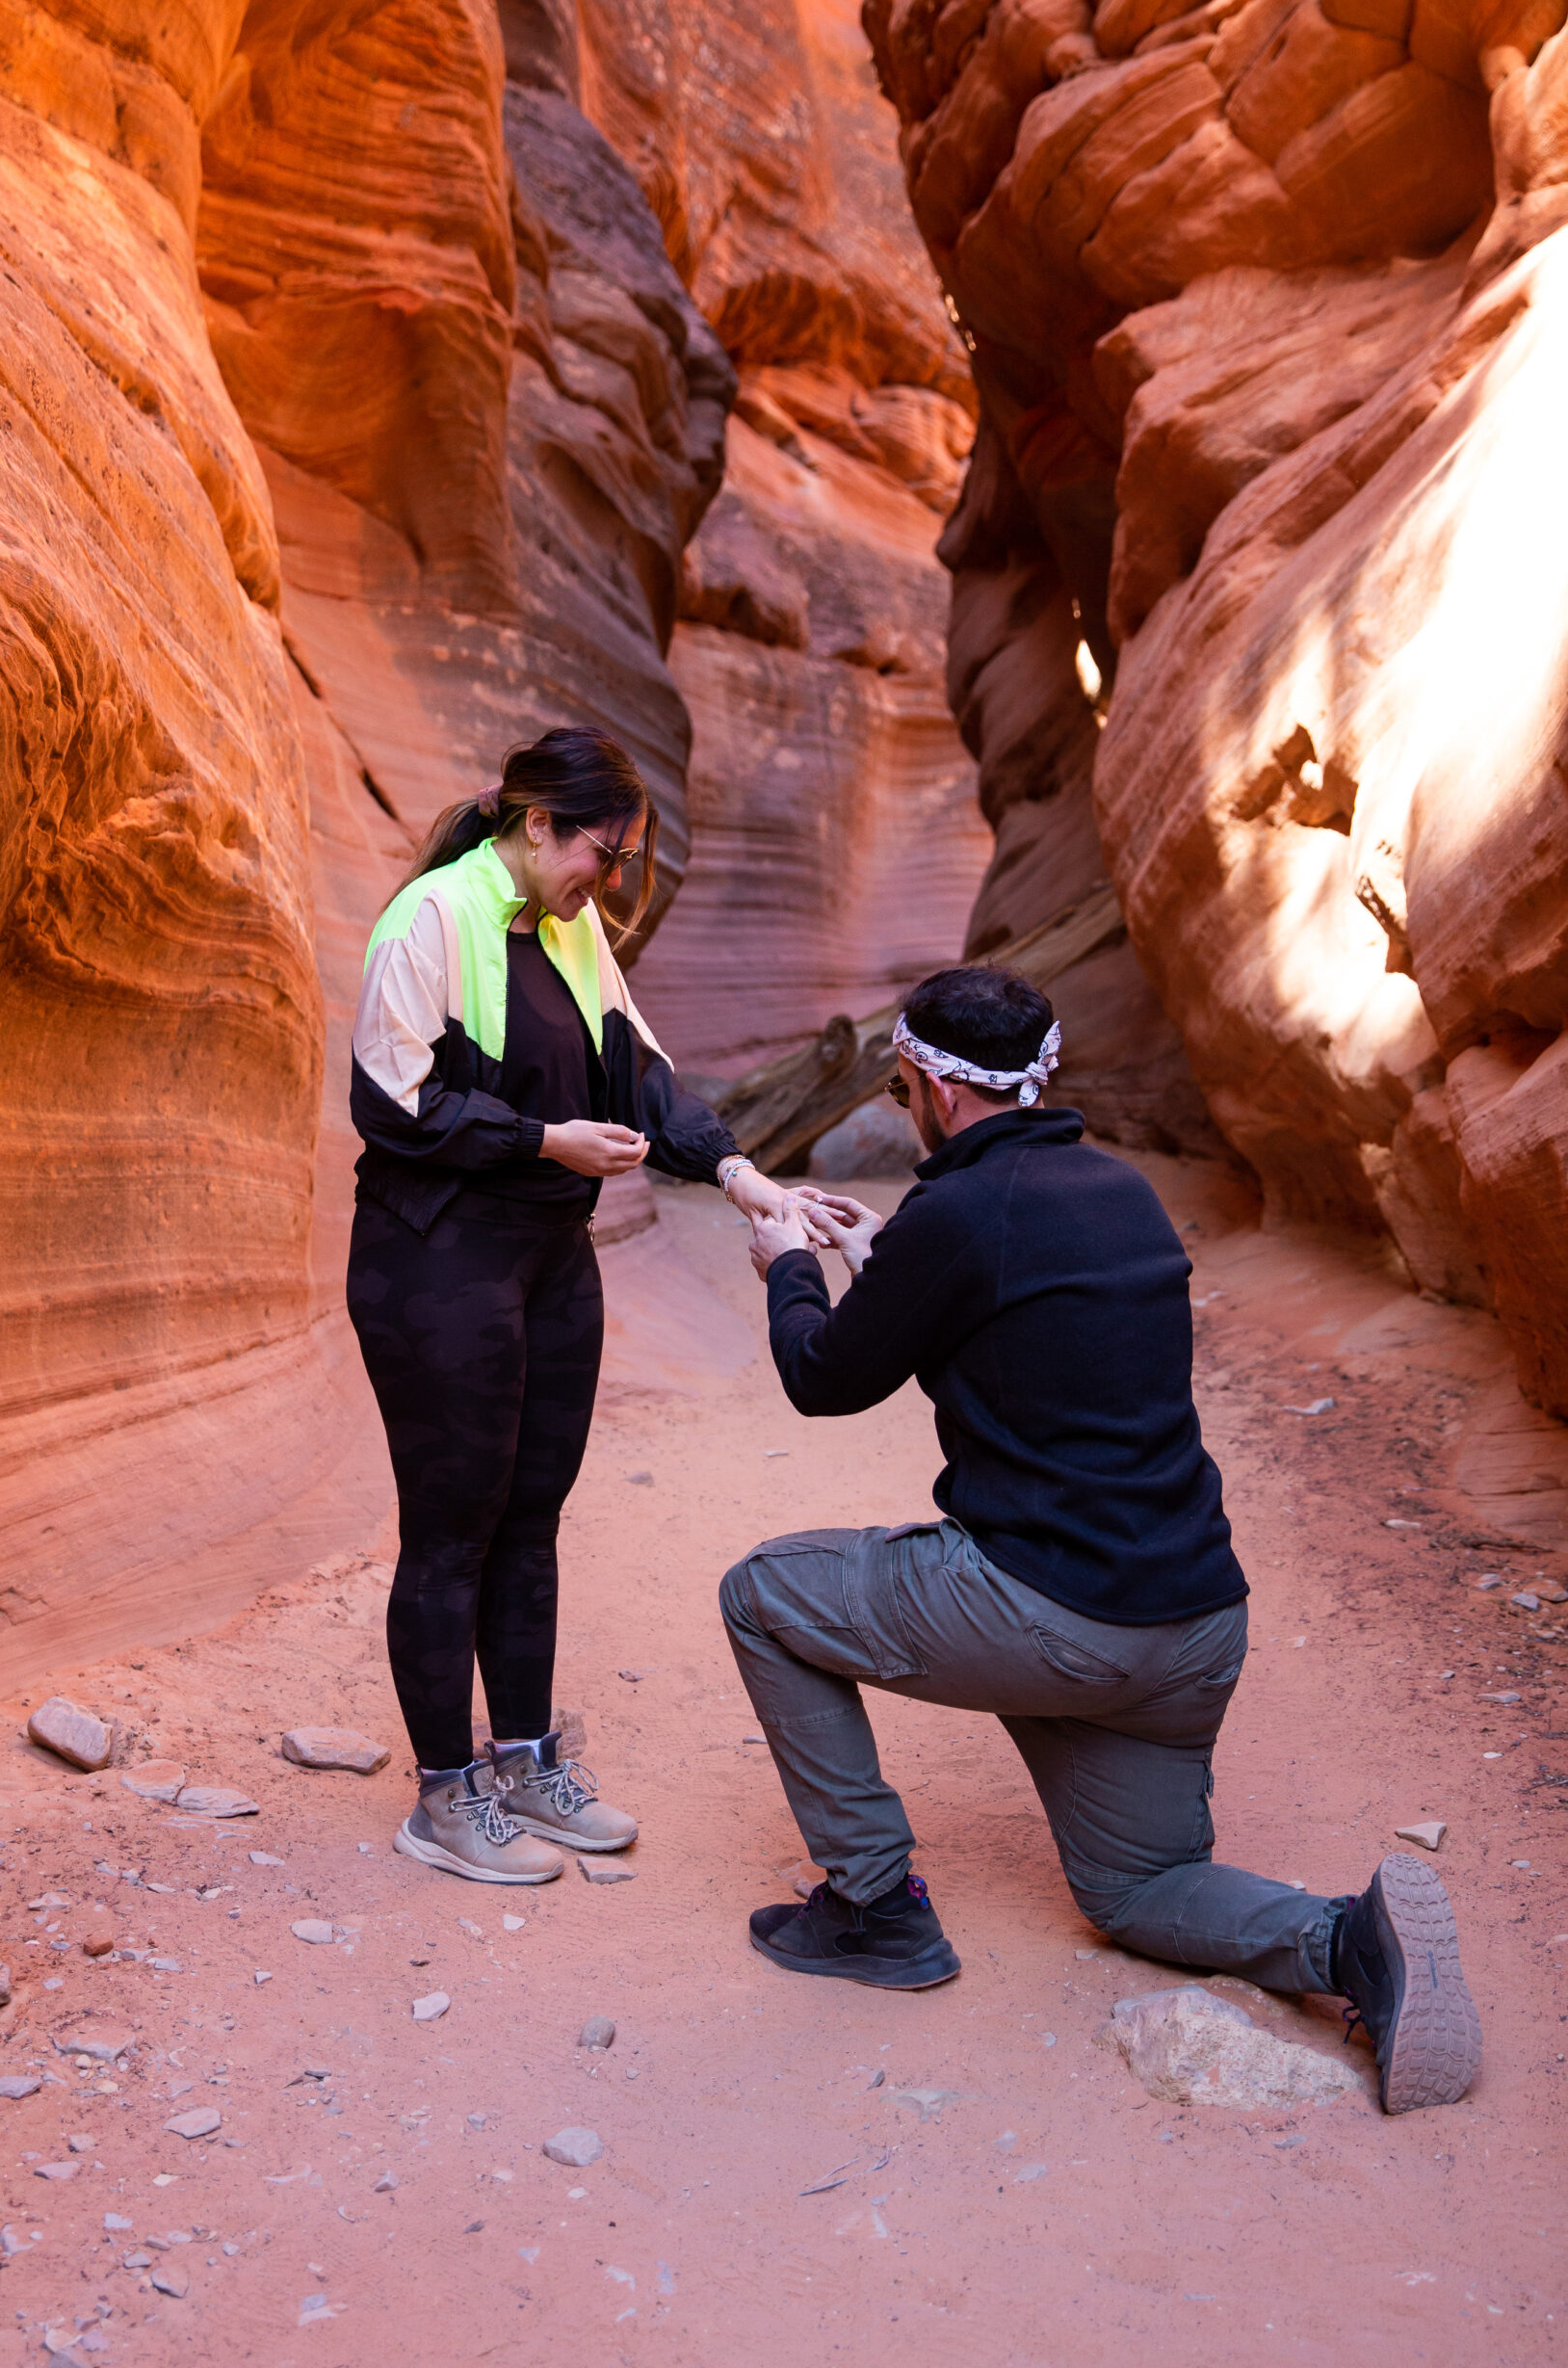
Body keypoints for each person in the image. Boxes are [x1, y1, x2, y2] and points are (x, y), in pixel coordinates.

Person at [723, 963, 1480, 2116]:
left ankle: (873, 1907)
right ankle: (1350, 1947)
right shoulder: (1117, 1191)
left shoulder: (962, 1214)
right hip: (1192, 1627)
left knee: (762, 1593)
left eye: (899, 1082)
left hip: (1052, 1620)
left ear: (930, 1084)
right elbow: (1028, 1333)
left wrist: (788, 1265)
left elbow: (824, 1380)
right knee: (1137, 1887)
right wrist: (889, 1256)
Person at [348, 724, 788, 1887]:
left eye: (627, 859)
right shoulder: (434, 918)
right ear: (535, 823)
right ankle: (444, 1796)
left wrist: (739, 1175)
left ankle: (530, 1757)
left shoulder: (571, 925)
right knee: (454, 1529)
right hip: (435, 1259)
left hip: (549, 1256)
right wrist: (543, 1138)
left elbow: (639, 1072)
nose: (615, 879)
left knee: (532, 1517)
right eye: (606, 851)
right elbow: (390, 1105)